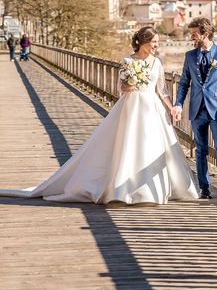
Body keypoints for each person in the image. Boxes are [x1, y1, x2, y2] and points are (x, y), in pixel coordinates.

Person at [0, 27, 198, 204]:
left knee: (152, 146)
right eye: (154, 42)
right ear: (143, 42)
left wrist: (172, 107)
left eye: (157, 42)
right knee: (129, 144)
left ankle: (150, 190)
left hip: (152, 108)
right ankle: (124, 189)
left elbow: (162, 89)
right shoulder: (128, 61)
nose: (157, 45)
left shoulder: (157, 63)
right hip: (131, 107)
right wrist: (133, 82)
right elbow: (122, 88)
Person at [172, 17, 217, 200]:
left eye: (194, 34)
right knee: (200, 150)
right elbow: (184, 83)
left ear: (205, 34)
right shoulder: (190, 56)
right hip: (196, 109)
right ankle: (205, 188)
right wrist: (178, 103)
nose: (191, 38)